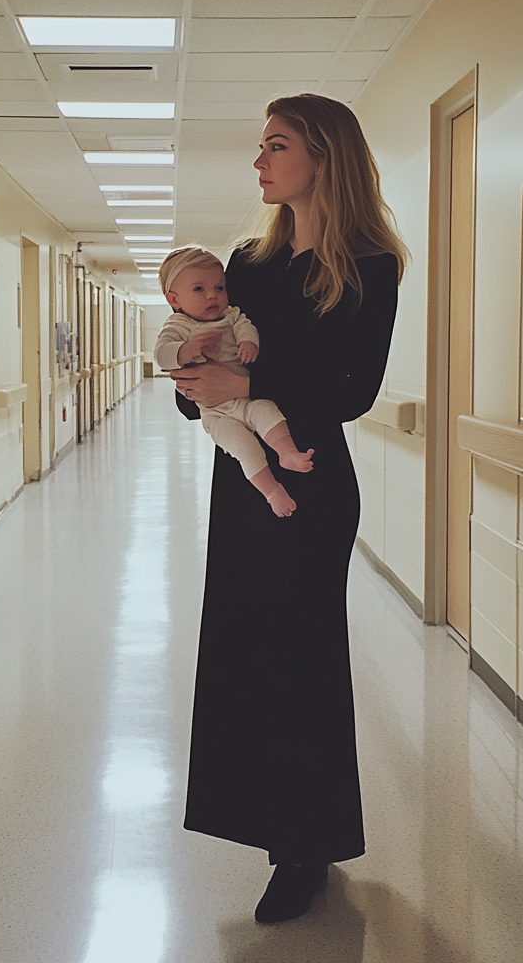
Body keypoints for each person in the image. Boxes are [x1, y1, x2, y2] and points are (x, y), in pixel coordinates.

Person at [172, 93, 404, 923]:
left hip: (312, 488)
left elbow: (355, 390)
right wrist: (197, 377)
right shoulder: (249, 262)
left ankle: (304, 847)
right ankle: (267, 826)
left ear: (324, 158)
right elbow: (216, 358)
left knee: (303, 659)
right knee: (243, 655)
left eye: (276, 145)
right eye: (261, 145)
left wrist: (251, 386)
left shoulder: (370, 264)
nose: (259, 161)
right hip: (243, 485)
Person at [154, 245, 314, 516]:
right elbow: (162, 353)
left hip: (248, 400)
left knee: (267, 413)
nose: (212, 296)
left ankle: (287, 452)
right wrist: (185, 350)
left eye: (219, 288)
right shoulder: (178, 326)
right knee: (244, 446)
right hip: (218, 415)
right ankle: (271, 490)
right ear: (174, 299)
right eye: (199, 289)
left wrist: (249, 342)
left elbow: (245, 326)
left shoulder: (231, 315)